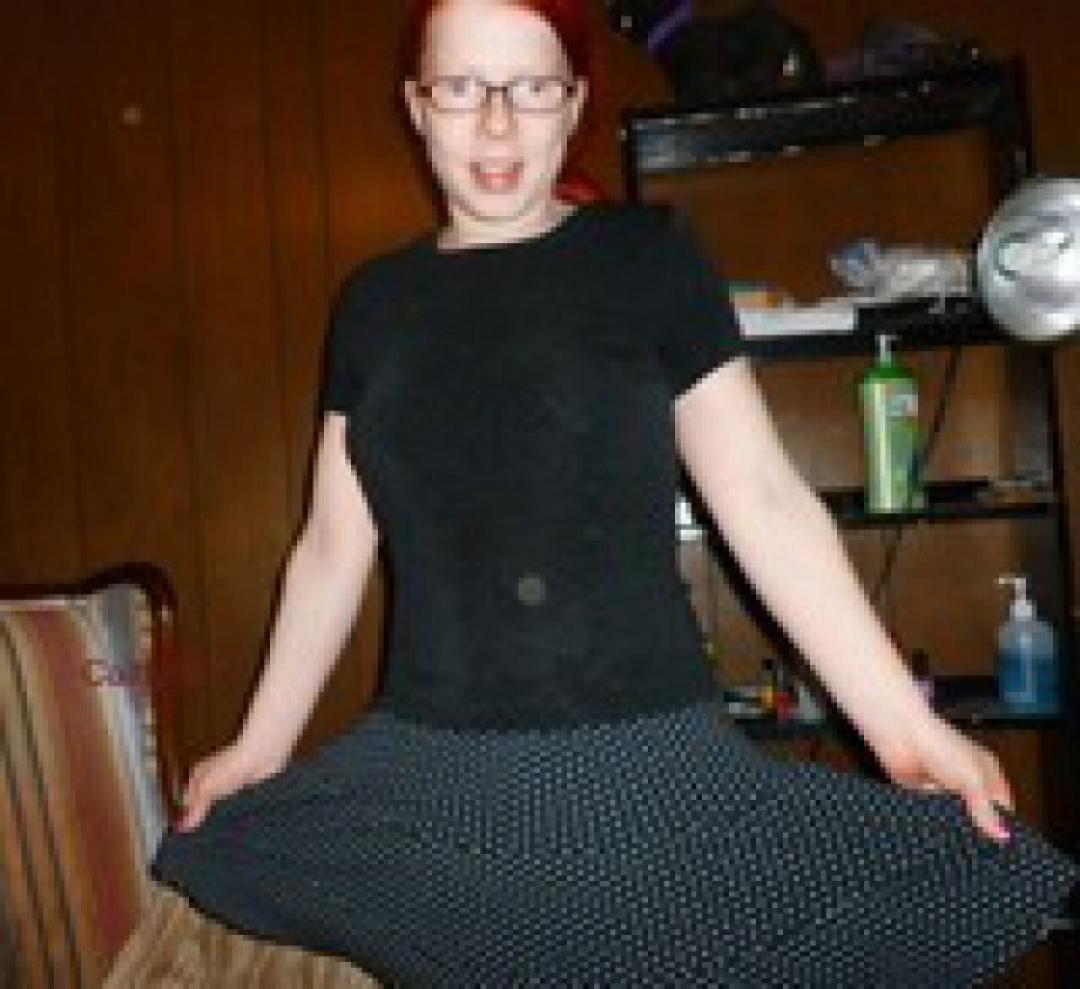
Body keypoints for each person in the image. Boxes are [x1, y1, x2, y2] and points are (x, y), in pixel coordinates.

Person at [148, 0, 1079, 984]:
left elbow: (764, 500)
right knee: (206, 854)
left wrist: (905, 727)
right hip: (429, 777)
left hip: (651, 768)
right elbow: (332, 545)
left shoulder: (649, 257)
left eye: (531, 88)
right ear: (417, 107)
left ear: (574, 104)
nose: (497, 122)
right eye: (462, 88)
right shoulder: (374, 306)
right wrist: (260, 745)